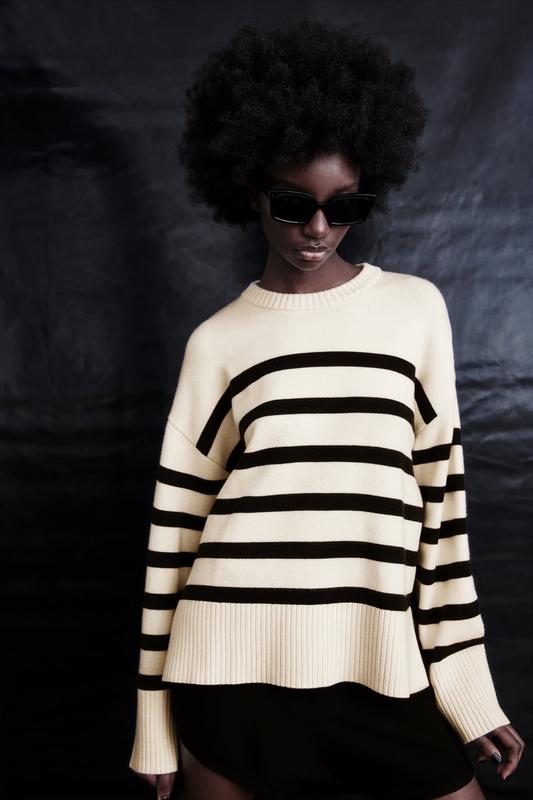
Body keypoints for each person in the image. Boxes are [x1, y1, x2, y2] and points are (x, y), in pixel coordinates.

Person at [128, 17, 525, 800]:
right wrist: (151, 723)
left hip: (379, 667)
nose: (316, 229)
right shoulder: (218, 342)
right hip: (228, 674)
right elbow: (172, 539)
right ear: (250, 191)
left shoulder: (414, 311)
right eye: (291, 203)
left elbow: (440, 513)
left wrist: (465, 687)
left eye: (344, 206)